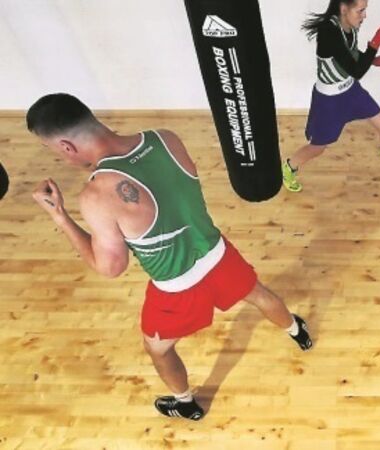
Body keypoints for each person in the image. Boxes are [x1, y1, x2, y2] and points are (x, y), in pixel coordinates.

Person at [27, 93, 313, 421]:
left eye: (52, 150)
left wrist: (61, 217)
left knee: (158, 349)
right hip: (217, 254)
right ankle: (296, 330)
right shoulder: (165, 139)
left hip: (176, 288)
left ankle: (185, 403)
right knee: (259, 294)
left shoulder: (97, 194)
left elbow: (111, 267)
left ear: (66, 146)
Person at [281, 0, 380, 193]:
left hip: (352, 90)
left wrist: (372, 60)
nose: (364, 16)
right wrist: (375, 44)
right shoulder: (328, 32)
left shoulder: (350, 25)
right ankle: (289, 168)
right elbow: (356, 70)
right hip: (330, 101)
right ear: (344, 8)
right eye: (361, 11)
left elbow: (350, 56)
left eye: (365, 10)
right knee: (318, 148)